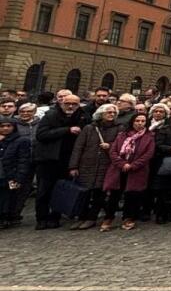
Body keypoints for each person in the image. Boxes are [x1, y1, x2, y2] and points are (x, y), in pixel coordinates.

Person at [33, 93, 85, 229]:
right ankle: (41, 218)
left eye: (74, 104)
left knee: (61, 190)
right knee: (44, 190)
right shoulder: (51, 115)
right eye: (68, 103)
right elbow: (41, 135)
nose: (71, 106)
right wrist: (66, 130)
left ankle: (55, 216)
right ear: (61, 103)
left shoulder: (82, 117)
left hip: (67, 159)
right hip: (48, 159)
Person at [67, 103, 121, 230]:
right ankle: (81, 216)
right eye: (109, 112)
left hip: (106, 164)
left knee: (99, 193)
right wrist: (73, 166)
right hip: (87, 164)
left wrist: (110, 145)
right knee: (84, 193)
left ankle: (91, 218)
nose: (111, 115)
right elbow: (78, 147)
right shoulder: (89, 128)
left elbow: (121, 145)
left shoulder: (119, 128)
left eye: (114, 113)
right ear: (101, 114)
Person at [101, 112, 155, 231]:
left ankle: (129, 217)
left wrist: (133, 165)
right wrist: (122, 163)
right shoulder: (122, 135)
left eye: (142, 121)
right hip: (119, 168)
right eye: (137, 121)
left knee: (133, 195)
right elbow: (113, 151)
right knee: (114, 194)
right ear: (132, 122)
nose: (140, 124)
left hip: (137, 170)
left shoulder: (149, 137)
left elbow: (148, 154)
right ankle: (108, 217)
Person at [0, 116, 32, 228]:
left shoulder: (21, 140)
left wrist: (19, 177)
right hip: (2, 173)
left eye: (8, 126)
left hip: (11, 175)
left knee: (10, 197)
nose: (5, 128)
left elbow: (23, 160)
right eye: (2, 126)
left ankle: (7, 217)